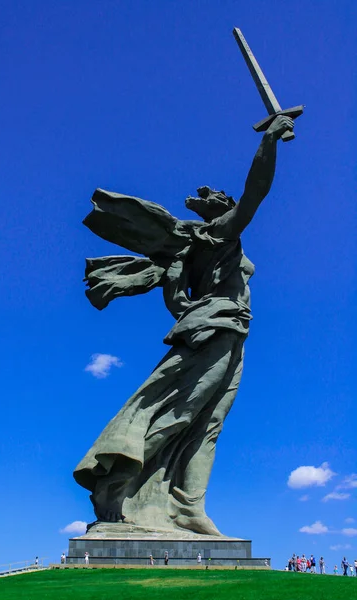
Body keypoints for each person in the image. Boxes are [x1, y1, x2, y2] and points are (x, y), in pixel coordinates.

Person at [73, 115, 295, 535]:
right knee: (182, 413)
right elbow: (256, 192)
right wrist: (269, 141)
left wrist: (192, 302)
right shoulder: (220, 234)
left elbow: (177, 304)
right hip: (218, 327)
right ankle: (116, 491)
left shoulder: (189, 254)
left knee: (207, 423)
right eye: (224, 202)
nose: (228, 204)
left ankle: (188, 509)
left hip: (225, 328)